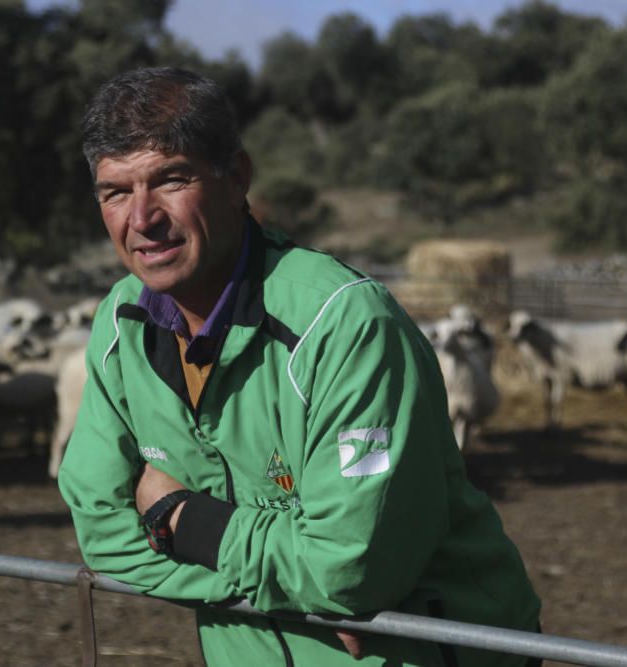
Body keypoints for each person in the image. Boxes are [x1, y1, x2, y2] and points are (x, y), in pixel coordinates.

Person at [58, 66, 541, 666]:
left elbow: (353, 568)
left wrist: (179, 517)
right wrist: (295, 600)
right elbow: (103, 537)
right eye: (115, 192)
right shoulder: (120, 324)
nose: (142, 218)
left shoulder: (345, 326)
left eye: (171, 180)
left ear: (237, 178)